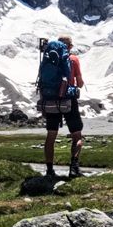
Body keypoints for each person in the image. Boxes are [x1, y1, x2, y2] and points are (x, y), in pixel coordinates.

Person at [44, 34, 85, 179]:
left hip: (50, 100)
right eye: (71, 46)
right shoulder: (72, 59)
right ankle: (74, 168)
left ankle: (49, 170)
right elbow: (79, 83)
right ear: (68, 46)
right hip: (68, 100)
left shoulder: (47, 58)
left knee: (51, 135)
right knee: (77, 135)